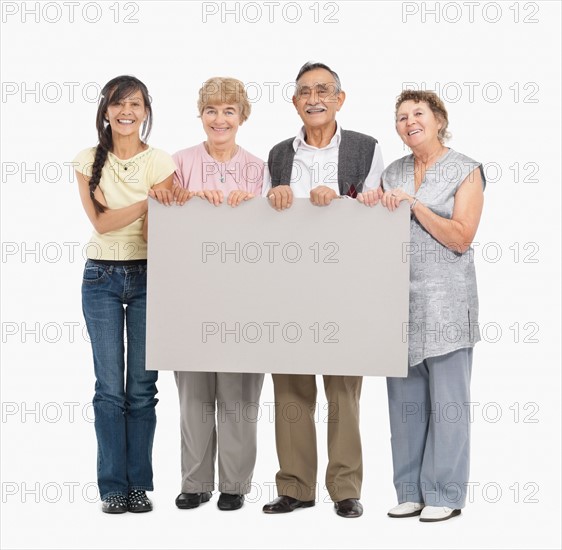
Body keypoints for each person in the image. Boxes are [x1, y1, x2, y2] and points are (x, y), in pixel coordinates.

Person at [261, 61, 384, 518]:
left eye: (323, 90)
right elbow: (261, 224)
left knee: (344, 390)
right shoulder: (277, 154)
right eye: (305, 91)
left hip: (346, 286)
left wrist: (342, 202)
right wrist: (275, 196)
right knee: (290, 387)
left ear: (339, 99)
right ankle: (295, 487)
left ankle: (345, 488)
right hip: (287, 287)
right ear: (295, 102)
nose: (314, 98)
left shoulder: (366, 148)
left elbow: (378, 213)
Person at [359, 90, 485, 522]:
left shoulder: (466, 170)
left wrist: (415, 206)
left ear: (438, 120)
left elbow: (460, 236)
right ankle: (410, 489)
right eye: (400, 117)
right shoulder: (392, 171)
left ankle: (445, 493)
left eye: (418, 114)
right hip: (399, 302)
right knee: (406, 404)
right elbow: (372, 228)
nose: (409, 122)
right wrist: (370, 204)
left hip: (447, 303)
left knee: (448, 404)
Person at [74, 76, 176, 514]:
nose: (126, 111)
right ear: (106, 111)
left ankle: (140, 485)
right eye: (118, 104)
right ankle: (113, 487)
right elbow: (102, 224)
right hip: (100, 279)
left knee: (141, 388)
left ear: (146, 111)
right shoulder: (87, 160)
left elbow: (162, 233)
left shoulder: (161, 162)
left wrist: (149, 207)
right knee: (109, 390)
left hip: (151, 277)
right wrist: (146, 202)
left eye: (134, 103)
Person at [170, 77, 265, 512]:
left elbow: (273, 231)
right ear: (200, 116)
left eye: (229, 110)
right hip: (190, 294)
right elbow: (165, 211)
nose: (220, 118)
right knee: (193, 394)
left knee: (237, 394)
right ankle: (195, 482)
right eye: (211, 110)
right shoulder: (180, 161)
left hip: (244, 295)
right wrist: (188, 198)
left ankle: (233, 483)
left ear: (242, 116)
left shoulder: (258, 168)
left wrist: (253, 207)